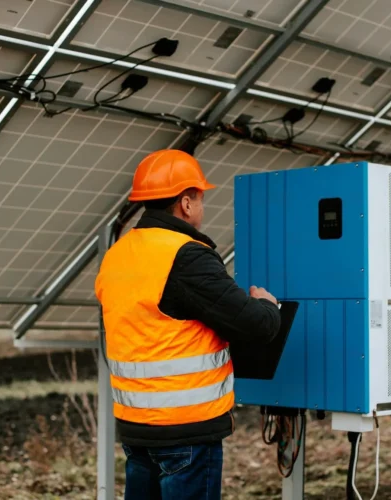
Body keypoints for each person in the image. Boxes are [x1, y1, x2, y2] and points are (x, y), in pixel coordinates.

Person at [94, 149, 282, 500]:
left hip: (137, 430)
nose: (201, 206)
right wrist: (267, 305)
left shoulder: (117, 255)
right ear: (185, 203)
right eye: (200, 198)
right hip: (186, 433)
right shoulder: (185, 255)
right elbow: (255, 325)